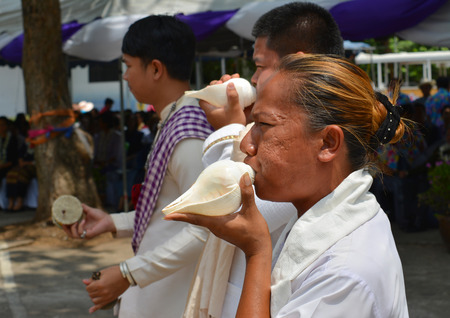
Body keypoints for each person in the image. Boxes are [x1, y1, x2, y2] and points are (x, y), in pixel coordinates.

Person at [167, 53, 409, 318]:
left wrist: (257, 252)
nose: (247, 144)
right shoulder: (324, 216)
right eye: (252, 123)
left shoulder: (344, 276)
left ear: (328, 143)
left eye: (264, 125)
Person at [190, 3, 345, 317]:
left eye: (260, 66)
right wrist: (255, 124)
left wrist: (231, 129)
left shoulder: (306, 160)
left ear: (297, 63)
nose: (254, 78)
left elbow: (226, 201)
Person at [63, 15, 213, 317]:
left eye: (128, 66)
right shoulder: (175, 121)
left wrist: (128, 273)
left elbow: (205, 229)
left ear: (155, 68)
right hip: (159, 289)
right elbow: (170, 210)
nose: (125, 76)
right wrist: (113, 222)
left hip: (173, 296)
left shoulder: (189, 135)